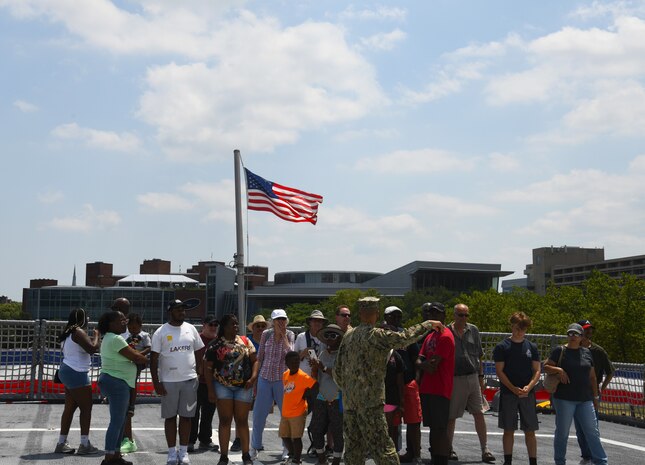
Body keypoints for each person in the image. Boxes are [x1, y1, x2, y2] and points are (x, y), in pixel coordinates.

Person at [334, 297, 445, 465]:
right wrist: (428, 324)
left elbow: (337, 370)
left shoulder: (348, 336)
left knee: (353, 451)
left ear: (359, 313)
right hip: (370, 404)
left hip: (350, 404)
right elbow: (405, 337)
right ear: (377, 314)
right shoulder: (376, 335)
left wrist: (349, 390)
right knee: (383, 450)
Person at [151, 299, 205, 465]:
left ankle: (183, 451)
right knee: (170, 418)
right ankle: (171, 452)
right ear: (170, 312)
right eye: (178, 310)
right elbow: (153, 360)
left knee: (187, 417)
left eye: (183, 309)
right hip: (168, 381)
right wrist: (156, 383)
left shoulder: (191, 329)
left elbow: (199, 351)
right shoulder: (160, 332)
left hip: (189, 380)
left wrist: (198, 371)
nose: (182, 312)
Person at [544, 323, 608, 465]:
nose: (572, 337)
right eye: (570, 334)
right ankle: (560, 461)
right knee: (562, 433)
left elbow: (592, 377)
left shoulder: (587, 353)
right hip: (564, 398)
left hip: (585, 399)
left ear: (581, 337)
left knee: (592, 431)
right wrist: (559, 370)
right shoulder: (559, 350)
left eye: (576, 334)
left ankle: (601, 461)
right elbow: (546, 367)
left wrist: (596, 397)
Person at [204, 314, 258, 465]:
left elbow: (255, 361)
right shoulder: (215, 345)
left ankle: (246, 455)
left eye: (236, 324)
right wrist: (210, 390)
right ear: (225, 327)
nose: (235, 326)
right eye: (232, 324)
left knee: (242, 420)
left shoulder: (245, 341)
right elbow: (207, 368)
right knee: (225, 420)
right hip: (222, 386)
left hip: (243, 386)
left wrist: (253, 378)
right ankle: (223, 456)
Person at [97, 310, 148, 465]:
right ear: (111, 324)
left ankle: (116, 455)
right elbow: (136, 356)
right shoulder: (117, 339)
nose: (125, 322)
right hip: (117, 382)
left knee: (120, 420)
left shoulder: (109, 338)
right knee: (117, 421)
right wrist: (146, 358)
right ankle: (109, 457)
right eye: (121, 320)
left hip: (117, 381)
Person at [446, 303, 495, 463]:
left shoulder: (473, 330)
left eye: (466, 315)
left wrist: (481, 379)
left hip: (473, 376)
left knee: (479, 413)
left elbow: (479, 356)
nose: (464, 318)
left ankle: (485, 449)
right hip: (455, 377)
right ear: (454, 315)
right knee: (452, 416)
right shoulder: (447, 331)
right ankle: (449, 449)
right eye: (461, 315)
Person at [492, 312, 540, 465]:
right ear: (511, 326)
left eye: (523, 328)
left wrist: (529, 387)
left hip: (528, 393)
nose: (520, 331)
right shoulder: (502, 347)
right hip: (508, 393)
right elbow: (499, 371)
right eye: (517, 327)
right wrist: (513, 388)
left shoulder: (532, 346)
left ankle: (533, 461)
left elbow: (537, 370)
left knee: (530, 430)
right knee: (508, 429)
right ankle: (508, 461)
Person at [54, 308, 101, 455]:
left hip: (67, 371)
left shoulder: (68, 333)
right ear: (82, 319)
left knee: (70, 409)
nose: (88, 319)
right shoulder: (78, 331)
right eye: (87, 317)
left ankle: (61, 443)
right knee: (86, 409)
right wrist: (97, 336)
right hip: (77, 372)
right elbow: (92, 349)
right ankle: (84, 444)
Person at [251, 309, 295, 458]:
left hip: (282, 379)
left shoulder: (290, 334)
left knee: (285, 415)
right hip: (265, 377)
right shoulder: (266, 334)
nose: (281, 322)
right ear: (273, 321)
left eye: (283, 319)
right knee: (259, 414)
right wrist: (255, 380)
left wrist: (283, 338)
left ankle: (286, 449)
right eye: (278, 320)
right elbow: (260, 357)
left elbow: (291, 356)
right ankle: (255, 446)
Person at [383, 306, 423, 464]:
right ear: (386, 317)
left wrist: (417, 380)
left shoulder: (406, 335)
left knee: (413, 421)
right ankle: (391, 454)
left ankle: (416, 454)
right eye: (393, 316)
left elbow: (416, 358)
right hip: (388, 388)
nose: (397, 319)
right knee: (391, 423)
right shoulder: (380, 334)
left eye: (399, 316)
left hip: (408, 384)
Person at [417, 302, 455, 465]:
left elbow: (431, 365)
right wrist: (422, 363)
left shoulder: (446, 336)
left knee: (440, 428)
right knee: (433, 426)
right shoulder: (430, 336)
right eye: (431, 313)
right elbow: (419, 358)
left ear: (443, 316)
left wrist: (421, 364)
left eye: (437, 313)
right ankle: (435, 458)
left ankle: (442, 459)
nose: (433, 316)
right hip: (427, 388)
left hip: (440, 388)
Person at [575, 319, 615, 465]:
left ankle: (594, 457)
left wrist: (601, 388)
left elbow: (610, 371)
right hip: (574, 392)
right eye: (586, 330)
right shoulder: (571, 348)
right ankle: (586, 456)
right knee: (579, 428)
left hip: (592, 393)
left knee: (592, 427)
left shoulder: (598, 351)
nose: (589, 332)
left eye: (590, 329)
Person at [309, 324, 345, 465]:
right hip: (321, 396)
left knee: (337, 431)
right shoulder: (322, 353)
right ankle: (322, 458)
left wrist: (322, 367)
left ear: (339, 338)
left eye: (333, 335)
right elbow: (316, 376)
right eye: (327, 335)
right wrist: (314, 367)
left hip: (338, 396)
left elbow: (340, 374)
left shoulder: (343, 354)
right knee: (316, 429)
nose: (329, 338)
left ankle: (336, 460)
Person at [187, 316, 220, 453]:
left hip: (211, 383)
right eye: (210, 324)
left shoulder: (218, 341)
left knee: (208, 413)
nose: (213, 327)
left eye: (215, 325)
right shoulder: (196, 339)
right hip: (195, 381)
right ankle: (190, 440)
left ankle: (205, 440)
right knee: (192, 413)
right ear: (203, 325)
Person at [121, 313, 151, 454]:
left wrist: (139, 355)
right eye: (130, 328)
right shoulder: (127, 337)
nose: (133, 330)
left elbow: (149, 348)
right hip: (130, 360)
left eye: (135, 327)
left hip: (139, 360)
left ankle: (132, 403)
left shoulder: (144, 336)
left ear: (140, 326)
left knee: (133, 380)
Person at [280, 351, 318, 465]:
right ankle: (292, 456)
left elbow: (316, 386)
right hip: (286, 411)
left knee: (296, 438)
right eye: (292, 362)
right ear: (286, 363)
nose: (295, 364)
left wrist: (307, 396)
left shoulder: (303, 376)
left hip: (298, 411)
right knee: (284, 436)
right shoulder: (285, 375)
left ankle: (296, 460)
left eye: (297, 361)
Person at [383, 343, 405, 451]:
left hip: (391, 396)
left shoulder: (395, 356)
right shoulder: (375, 352)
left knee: (390, 426)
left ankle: (391, 450)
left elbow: (400, 380)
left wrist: (401, 401)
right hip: (376, 396)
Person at [294, 309, 327, 375]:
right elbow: (293, 359)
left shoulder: (326, 339)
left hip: (320, 377)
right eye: (315, 320)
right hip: (303, 376)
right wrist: (302, 353)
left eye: (320, 321)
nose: (317, 323)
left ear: (323, 323)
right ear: (310, 322)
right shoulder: (301, 337)